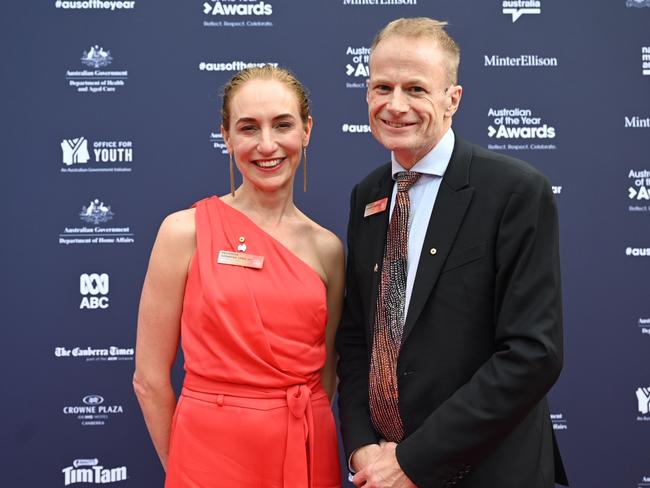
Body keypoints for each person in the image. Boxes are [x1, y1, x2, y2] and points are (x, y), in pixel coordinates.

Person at [336, 17, 569, 488]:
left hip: (490, 473)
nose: (395, 105)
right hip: (383, 474)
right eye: (382, 86)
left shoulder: (515, 191)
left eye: (416, 89)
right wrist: (363, 448)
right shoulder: (369, 195)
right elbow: (361, 336)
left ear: (452, 100)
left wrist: (414, 461)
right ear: (366, 94)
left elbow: (531, 354)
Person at [133, 65, 344, 488]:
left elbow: (327, 373)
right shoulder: (184, 231)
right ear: (227, 137)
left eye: (282, 125)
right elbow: (150, 380)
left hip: (305, 447)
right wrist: (185, 467)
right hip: (209, 456)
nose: (267, 144)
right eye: (248, 128)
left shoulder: (329, 249)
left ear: (306, 130)